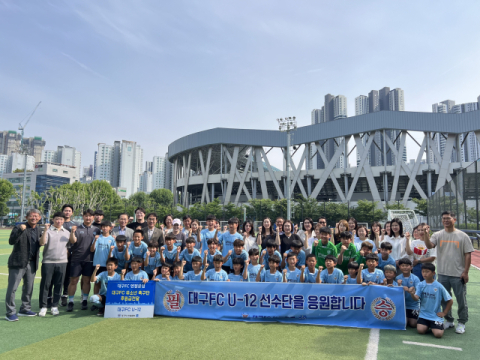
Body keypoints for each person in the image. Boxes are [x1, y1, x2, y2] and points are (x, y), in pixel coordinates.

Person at [424, 212, 473, 334]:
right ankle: (449, 320)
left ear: (454, 219)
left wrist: (465, 272)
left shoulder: (462, 236)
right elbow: (429, 245)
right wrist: (425, 234)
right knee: (444, 299)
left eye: (448, 218)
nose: (445, 220)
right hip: (442, 273)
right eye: (443, 219)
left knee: (461, 299)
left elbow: (468, 255)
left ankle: (462, 322)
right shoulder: (438, 234)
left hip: (458, 274)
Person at [5, 209, 42, 321]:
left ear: (39, 218)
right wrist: (20, 231)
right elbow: (11, 241)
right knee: (13, 288)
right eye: (31, 216)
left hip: (32, 262)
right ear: (26, 217)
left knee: (29, 287)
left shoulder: (39, 229)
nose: (34, 218)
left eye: (36, 216)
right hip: (18, 262)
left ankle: (25, 309)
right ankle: (10, 312)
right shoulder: (19, 227)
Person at [67, 209, 101, 312]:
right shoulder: (76, 228)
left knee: (86, 280)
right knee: (74, 280)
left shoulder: (97, 230)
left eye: (90, 216)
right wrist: (72, 232)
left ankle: (85, 300)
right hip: (76, 258)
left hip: (90, 259)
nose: (88, 218)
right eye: (86, 216)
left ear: (93, 217)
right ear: (83, 217)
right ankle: (71, 301)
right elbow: (73, 241)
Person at [408, 263, 453, 338]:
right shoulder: (420, 284)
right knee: (420, 330)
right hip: (424, 314)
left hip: (435, 315)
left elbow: (450, 300)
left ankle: (435, 325)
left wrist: (444, 313)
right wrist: (412, 294)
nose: (424, 274)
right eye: (423, 271)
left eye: (427, 271)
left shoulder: (439, 286)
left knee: (438, 334)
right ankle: (429, 325)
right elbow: (416, 298)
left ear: (433, 273)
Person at [38, 212, 69, 317]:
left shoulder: (67, 232)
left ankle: (55, 306)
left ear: (63, 221)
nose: (59, 221)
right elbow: (42, 243)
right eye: (57, 219)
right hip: (48, 261)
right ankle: (43, 306)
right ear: (53, 220)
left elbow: (71, 244)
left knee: (59, 285)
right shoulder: (48, 231)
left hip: (62, 262)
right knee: (45, 285)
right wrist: (45, 230)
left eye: (61, 219)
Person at [396, 258, 420, 328]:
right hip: (402, 305)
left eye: (407, 265)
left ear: (411, 267)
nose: (405, 267)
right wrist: (399, 286)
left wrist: (412, 292)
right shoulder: (397, 278)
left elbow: (417, 294)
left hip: (414, 305)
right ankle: (406, 317)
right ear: (399, 267)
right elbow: (395, 293)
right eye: (403, 265)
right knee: (404, 323)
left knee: (413, 324)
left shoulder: (416, 279)